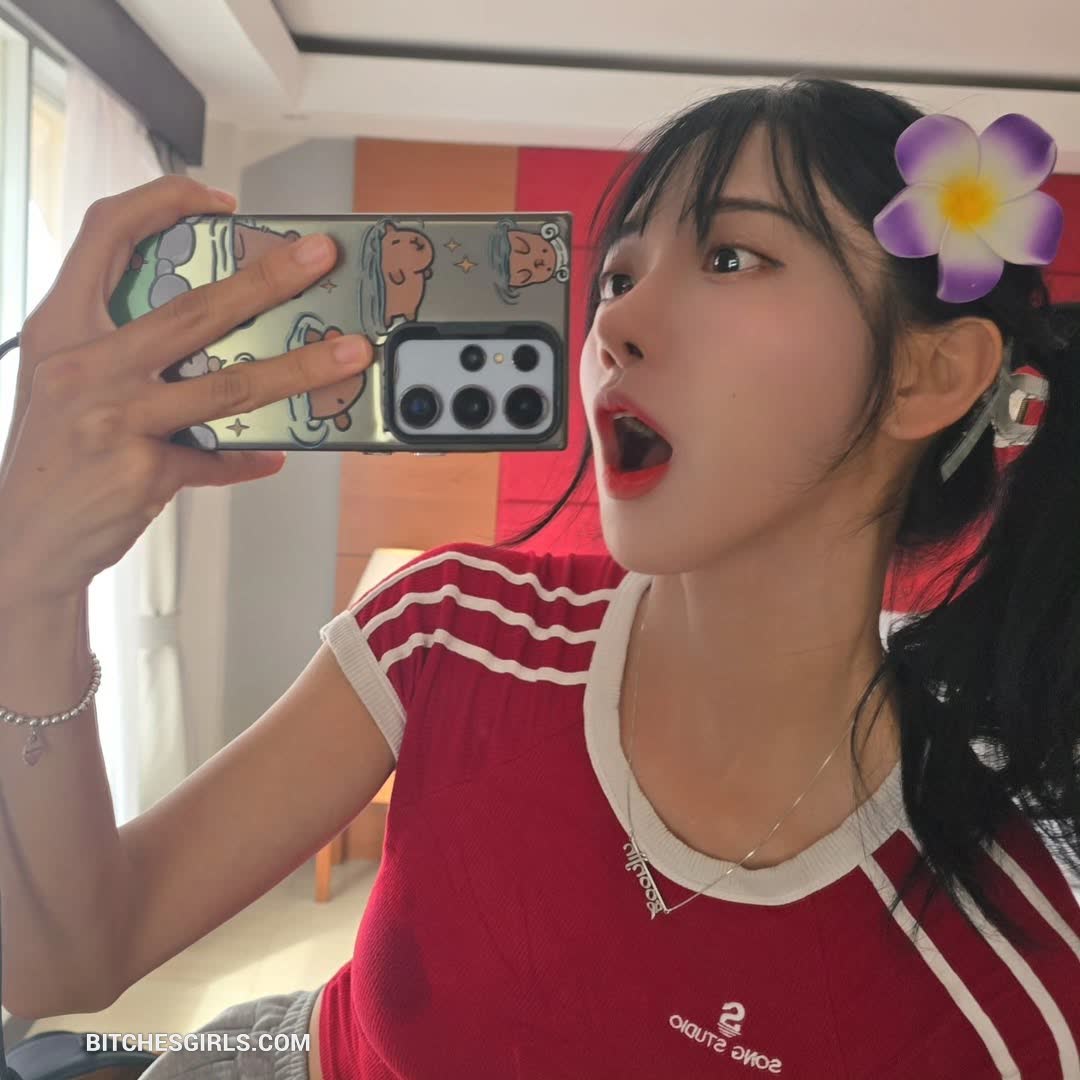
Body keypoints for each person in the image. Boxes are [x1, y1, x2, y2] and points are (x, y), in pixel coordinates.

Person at [1, 75, 1078, 1079]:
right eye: (619, 276)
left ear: (928, 373)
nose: (614, 324)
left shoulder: (1008, 983)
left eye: (732, 257)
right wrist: (30, 585)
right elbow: (66, 960)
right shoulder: (455, 628)